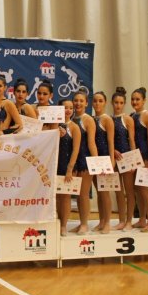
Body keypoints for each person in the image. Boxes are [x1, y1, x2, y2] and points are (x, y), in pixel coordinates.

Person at [70, 89, 98, 235]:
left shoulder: (88, 120)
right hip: (74, 160)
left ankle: (85, 224)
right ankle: (82, 222)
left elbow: (92, 143)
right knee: (77, 194)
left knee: (84, 194)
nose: (78, 103)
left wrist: (97, 164)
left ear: (86, 103)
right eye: (76, 100)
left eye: (81, 101)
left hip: (86, 160)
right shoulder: (71, 118)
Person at [131, 87, 148, 232]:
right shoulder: (132, 116)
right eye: (133, 99)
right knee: (138, 190)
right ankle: (141, 219)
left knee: (146, 191)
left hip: (145, 157)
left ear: (144, 100)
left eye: (138, 99)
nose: (135, 102)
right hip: (135, 158)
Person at [111, 87, 136, 231]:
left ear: (124, 104)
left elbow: (132, 140)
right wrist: (112, 150)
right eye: (116, 102)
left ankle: (129, 221)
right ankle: (121, 220)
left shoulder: (128, 119)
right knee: (117, 190)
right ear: (112, 103)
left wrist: (133, 160)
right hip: (114, 157)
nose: (118, 105)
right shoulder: (109, 119)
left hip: (126, 157)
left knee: (129, 191)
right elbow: (107, 139)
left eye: (121, 103)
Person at [91, 92, 115, 234]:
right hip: (94, 159)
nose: (97, 103)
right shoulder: (92, 119)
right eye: (95, 101)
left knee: (105, 192)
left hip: (104, 158)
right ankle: (101, 221)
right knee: (99, 192)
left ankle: (107, 222)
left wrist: (111, 161)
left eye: (100, 101)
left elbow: (111, 142)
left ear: (105, 103)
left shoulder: (107, 120)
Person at [56, 99, 80, 236]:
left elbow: (75, 150)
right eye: (65, 107)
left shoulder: (74, 127)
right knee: (56, 197)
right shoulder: (54, 125)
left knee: (65, 197)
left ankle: (64, 225)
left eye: (71, 108)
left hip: (67, 166)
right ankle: (57, 222)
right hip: (54, 164)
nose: (68, 110)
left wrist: (70, 169)